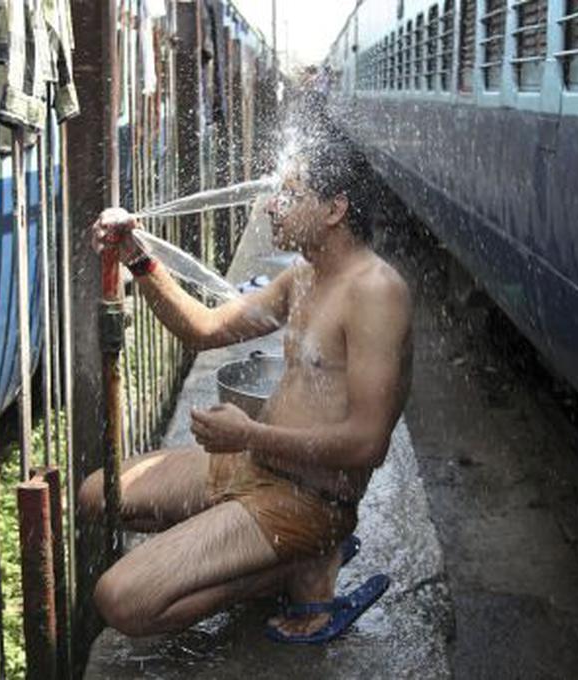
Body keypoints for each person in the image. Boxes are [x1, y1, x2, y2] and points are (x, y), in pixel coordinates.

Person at [78, 131, 413, 643]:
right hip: (253, 466)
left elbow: (368, 442)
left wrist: (250, 435)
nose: (270, 208)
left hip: (308, 497)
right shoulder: (306, 272)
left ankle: (297, 563)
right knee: (98, 495)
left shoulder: (376, 292)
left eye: (290, 194)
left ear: (335, 209)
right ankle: (273, 553)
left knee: (122, 601)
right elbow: (206, 329)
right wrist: (137, 258)